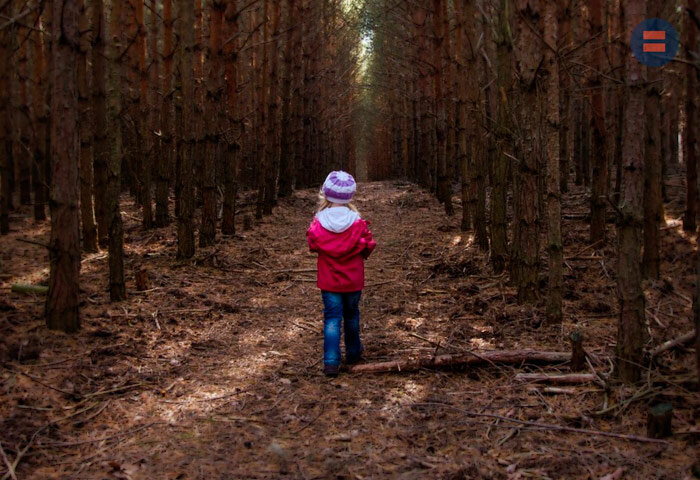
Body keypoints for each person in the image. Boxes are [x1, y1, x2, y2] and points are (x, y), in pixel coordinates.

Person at [306, 171, 376, 377]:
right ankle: (354, 354)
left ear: (325, 194)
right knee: (352, 315)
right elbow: (369, 245)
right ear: (350, 196)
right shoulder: (356, 221)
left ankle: (330, 362)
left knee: (332, 319)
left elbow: (313, 244)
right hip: (353, 280)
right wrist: (359, 247)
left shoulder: (319, 222)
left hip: (329, 281)